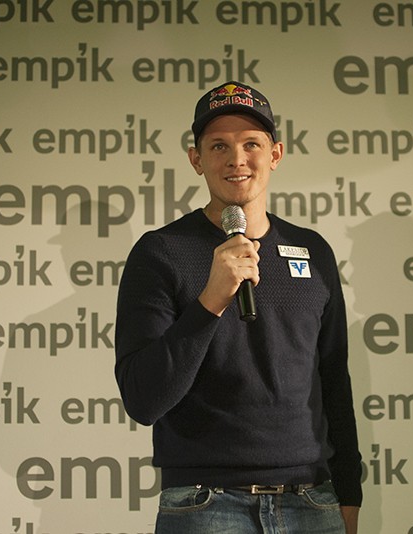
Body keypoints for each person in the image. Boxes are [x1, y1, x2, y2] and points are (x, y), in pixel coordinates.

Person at [114, 81, 362, 533]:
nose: (237, 159)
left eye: (251, 144)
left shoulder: (313, 251)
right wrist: (211, 300)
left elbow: (334, 381)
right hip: (205, 504)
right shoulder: (161, 253)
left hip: (312, 500)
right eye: (219, 146)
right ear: (196, 159)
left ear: (276, 154)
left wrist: (349, 492)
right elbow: (143, 399)